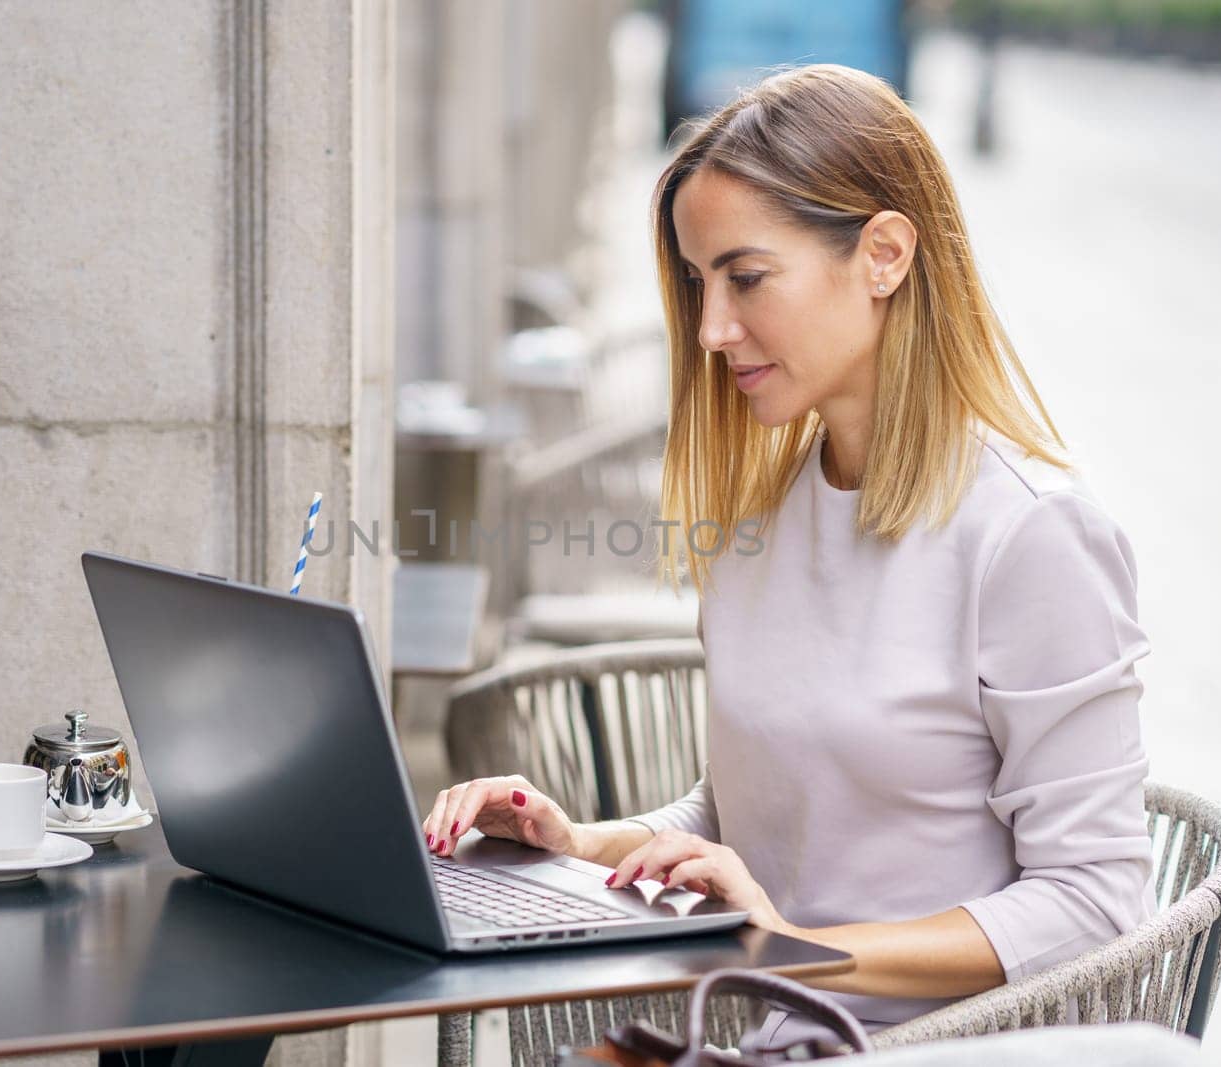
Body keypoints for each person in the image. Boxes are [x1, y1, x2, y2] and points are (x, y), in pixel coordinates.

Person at [423, 63, 1155, 1038]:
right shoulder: (758, 527)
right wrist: (581, 842)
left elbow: (1097, 900)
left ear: (884, 253)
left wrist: (792, 949)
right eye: (695, 281)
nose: (711, 329)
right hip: (776, 1033)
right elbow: (747, 813)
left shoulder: (1031, 533)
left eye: (747, 276)